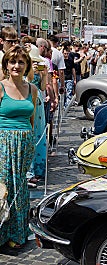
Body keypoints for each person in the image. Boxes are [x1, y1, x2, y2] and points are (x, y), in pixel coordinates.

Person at [0, 45, 37, 248]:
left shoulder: (32, 89)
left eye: (21, 62)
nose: (17, 65)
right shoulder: (1, 87)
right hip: (3, 143)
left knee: (20, 187)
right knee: (4, 187)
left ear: (27, 65)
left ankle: (17, 233)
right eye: (12, 61)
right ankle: (2, 233)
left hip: (24, 144)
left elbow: (31, 121)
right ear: (6, 65)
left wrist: (29, 141)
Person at [26, 45, 47, 186]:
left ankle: (39, 169)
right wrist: (31, 72)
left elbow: (43, 87)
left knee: (40, 134)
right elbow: (26, 83)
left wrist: (44, 75)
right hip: (29, 100)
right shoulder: (24, 71)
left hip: (39, 102)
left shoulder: (39, 72)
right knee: (32, 134)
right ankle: (29, 171)